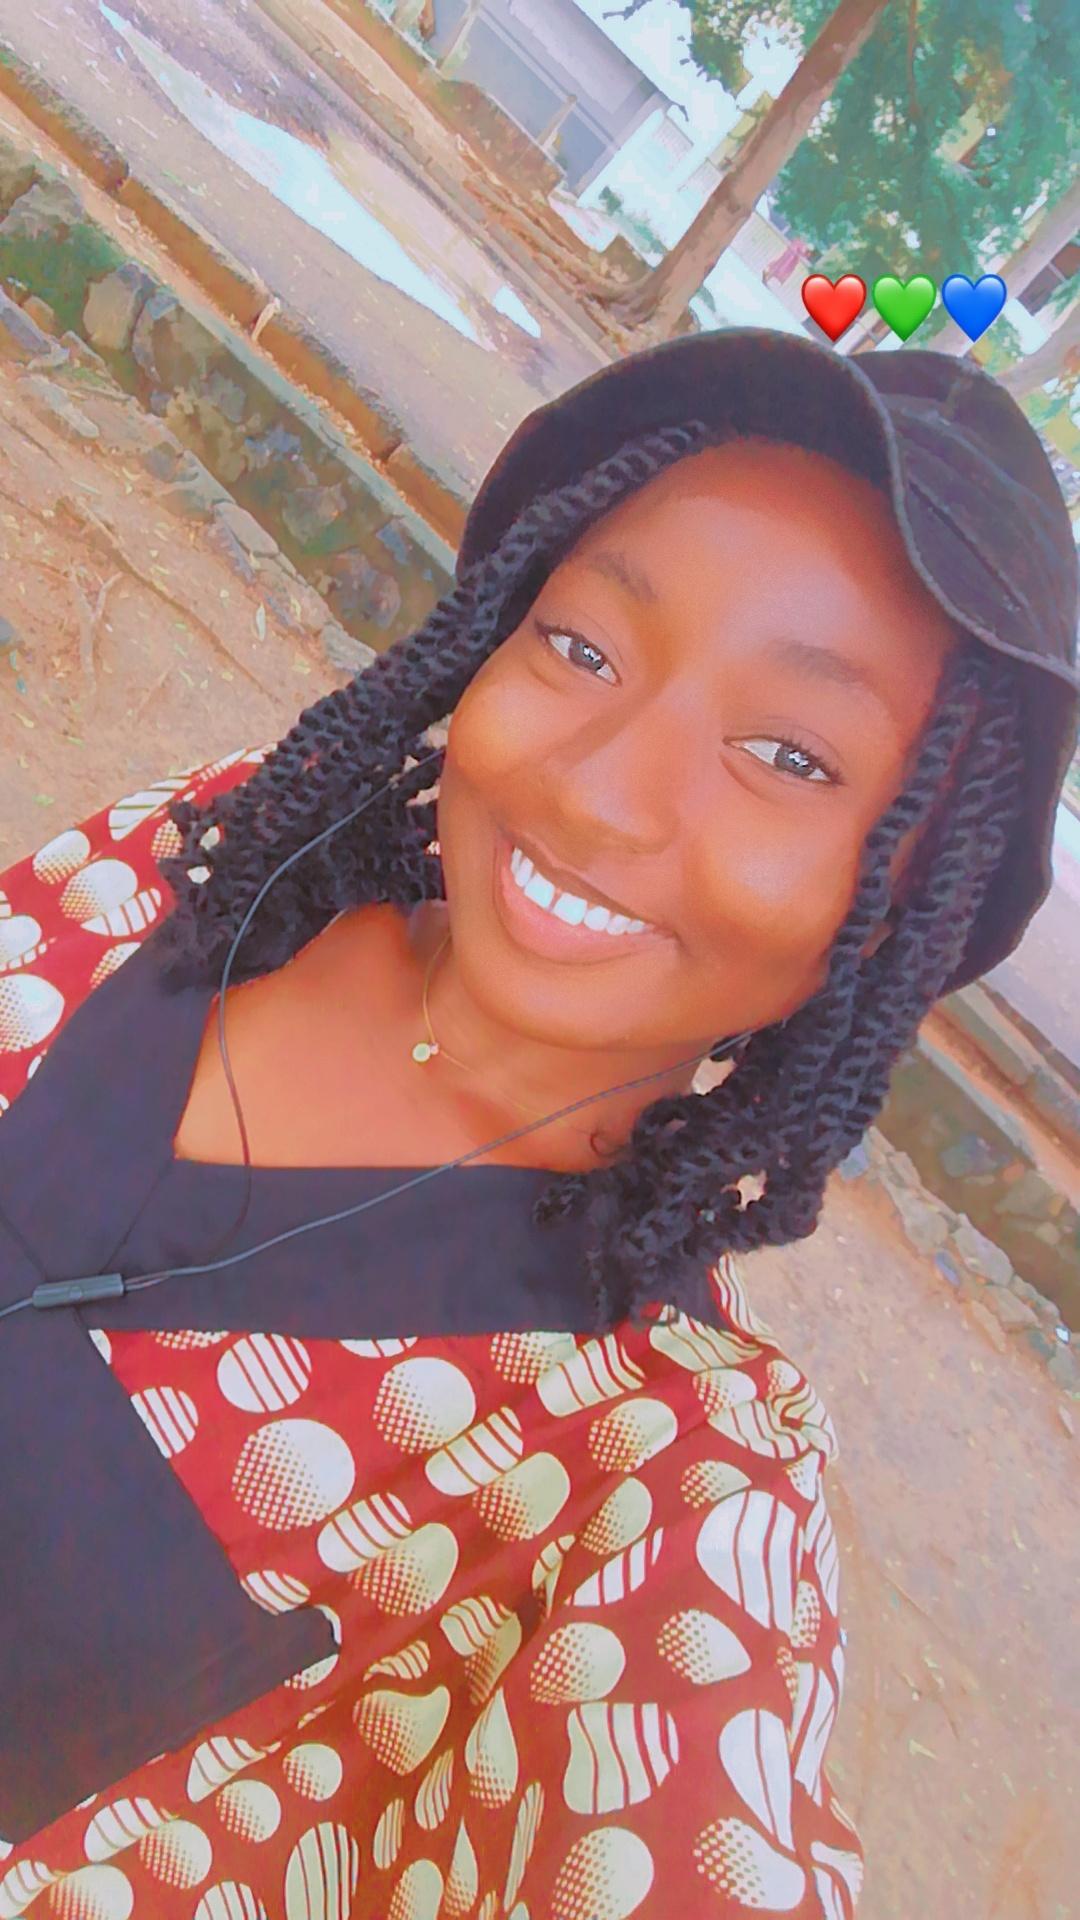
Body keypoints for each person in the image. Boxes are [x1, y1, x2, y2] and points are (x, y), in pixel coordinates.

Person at [0, 328, 1076, 1918]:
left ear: (905, 905)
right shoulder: (213, 861)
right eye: (582, 647)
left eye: (788, 755)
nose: (599, 789)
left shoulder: (642, 1479)